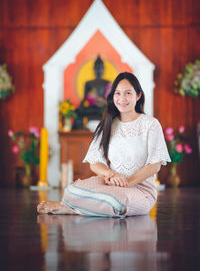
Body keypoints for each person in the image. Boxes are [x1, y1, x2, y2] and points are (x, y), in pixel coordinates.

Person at [37, 72, 171, 217]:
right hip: (111, 184)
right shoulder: (108, 124)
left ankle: (70, 209)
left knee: (119, 202)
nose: (122, 98)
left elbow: (155, 165)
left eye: (128, 93)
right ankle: (76, 206)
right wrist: (110, 174)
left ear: (138, 96)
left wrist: (127, 183)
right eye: (117, 93)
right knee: (71, 191)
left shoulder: (150, 124)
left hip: (139, 190)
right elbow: (95, 162)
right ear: (112, 96)